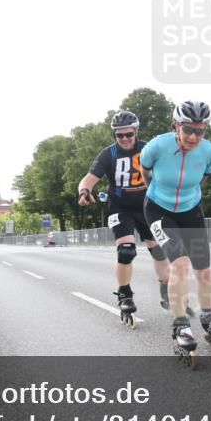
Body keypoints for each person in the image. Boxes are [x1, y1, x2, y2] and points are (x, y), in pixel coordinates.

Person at [140, 100, 211, 359]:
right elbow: (145, 174)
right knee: (180, 264)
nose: (193, 136)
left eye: (200, 131)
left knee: (204, 270)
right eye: (188, 129)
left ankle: (209, 320)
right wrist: (156, 197)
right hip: (158, 209)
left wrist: (187, 199)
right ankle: (180, 325)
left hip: (190, 209)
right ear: (176, 126)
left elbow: (202, 179)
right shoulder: (156, 146)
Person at [77, 111, 171, 322]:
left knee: (158, 250)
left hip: (147, 206)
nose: (125, 139)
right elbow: (88, 179)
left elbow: (168, 172)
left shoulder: (149, 149)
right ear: (115, 136)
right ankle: (124, 294)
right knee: (126, 251)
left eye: (129, 134)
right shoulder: (108, 154)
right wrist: (84, 192)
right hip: (119, 206)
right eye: (120, 136)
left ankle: (166, 286)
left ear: (136, 131)